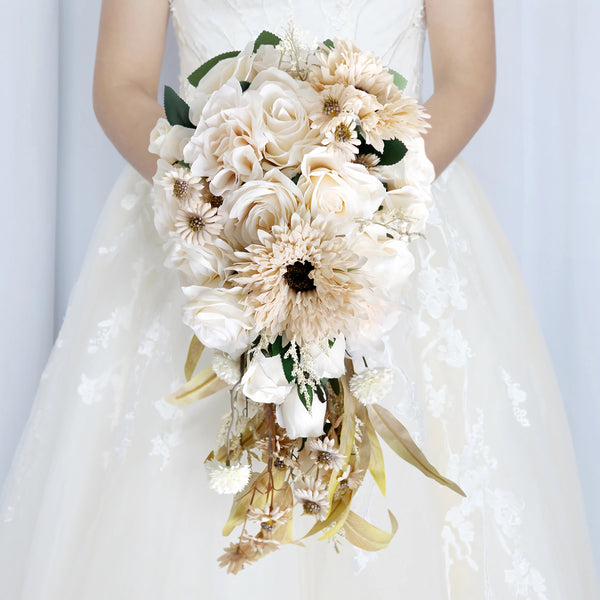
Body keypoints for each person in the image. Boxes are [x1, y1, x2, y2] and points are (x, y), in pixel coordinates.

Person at [1, 0, 598, 597]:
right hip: (208, 222)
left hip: (393, 223)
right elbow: (118, 83)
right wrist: (216, 186)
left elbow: (469, 80)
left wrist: (366, 198)